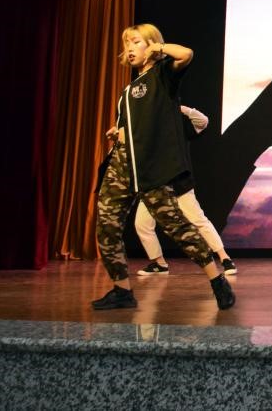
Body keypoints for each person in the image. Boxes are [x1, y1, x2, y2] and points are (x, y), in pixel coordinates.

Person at [92, 24, 235, 310]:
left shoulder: (162, 75)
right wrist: (118, 132)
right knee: (107, 225)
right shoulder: (127, 91)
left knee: (176, 225)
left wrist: (158, 49)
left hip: (151, 167)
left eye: (136, 42)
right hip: (122, 164)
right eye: (127, 43)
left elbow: (186, 54)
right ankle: (122, 290)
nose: (129, 48)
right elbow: (134, 127)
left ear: (151, 44)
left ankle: (217, 279)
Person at [134, 105, 238, 276]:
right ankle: (160, 263)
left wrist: (181, 108)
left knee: (198, 220)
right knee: (142, 224)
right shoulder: (147, 133)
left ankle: (225, 258)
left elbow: (203, 121)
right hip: (154, 186)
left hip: (178, 184)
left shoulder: (178, 128)